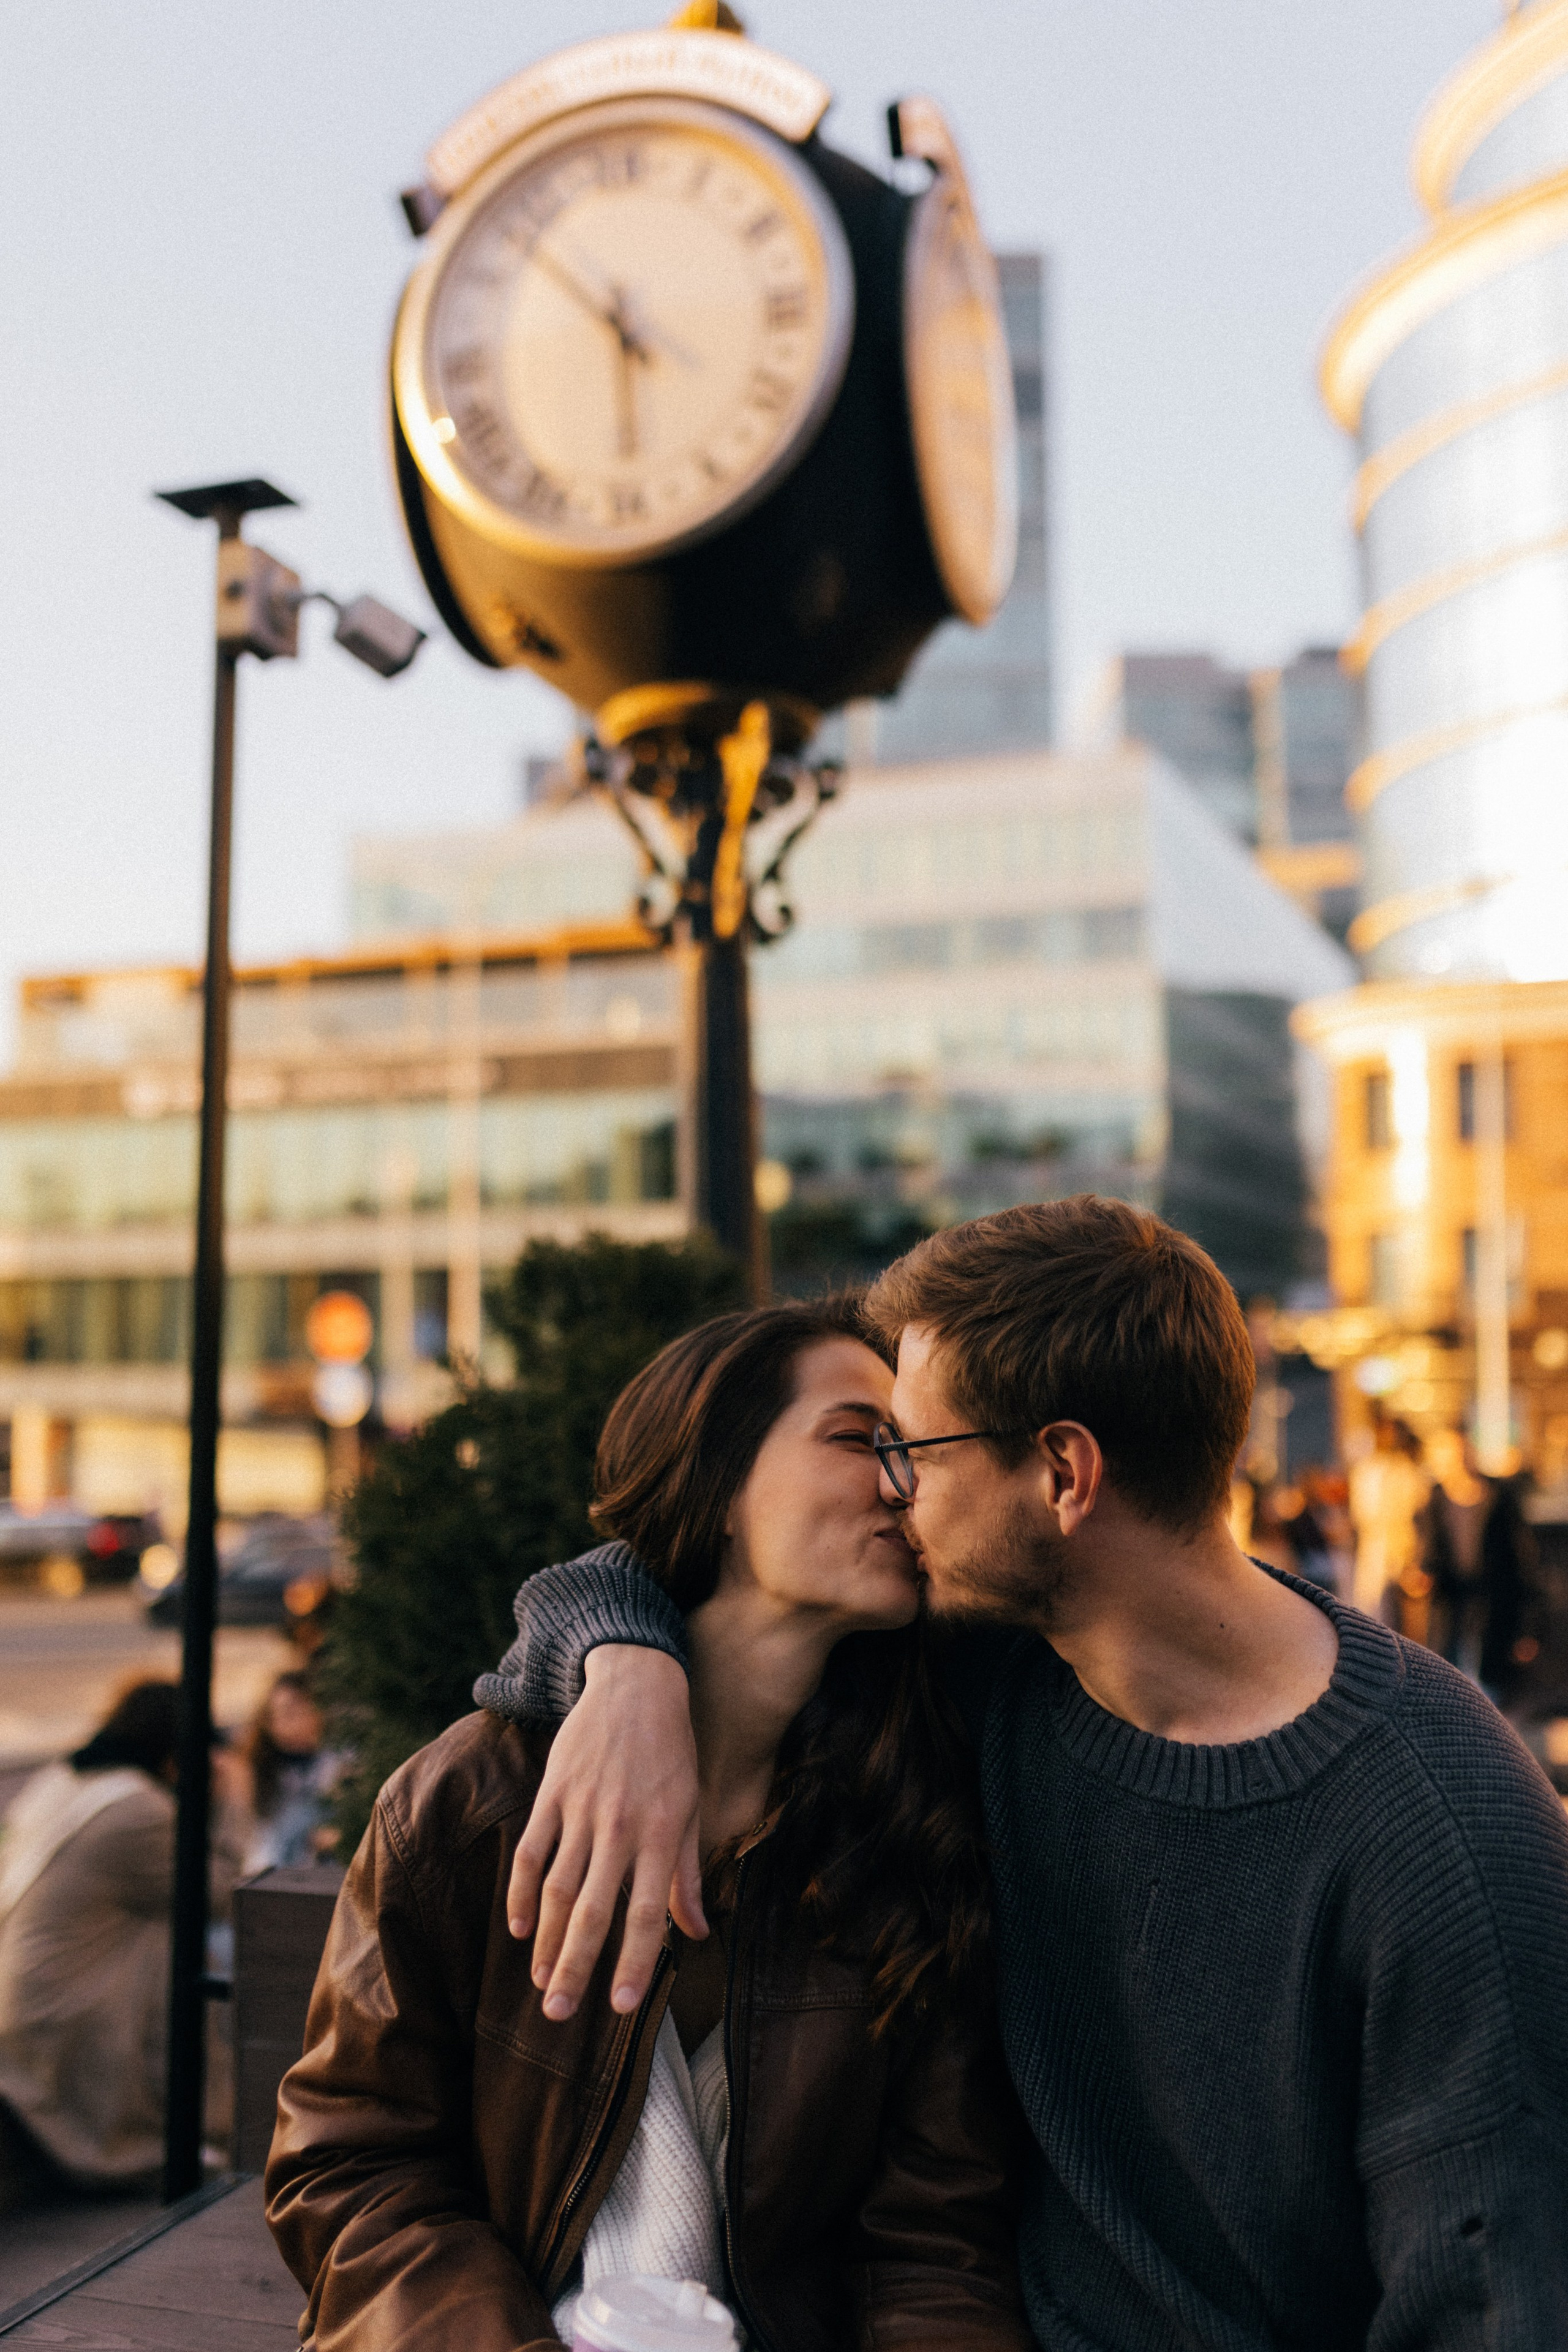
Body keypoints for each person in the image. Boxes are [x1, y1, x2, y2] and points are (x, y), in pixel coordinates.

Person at [498, 1197, 1568, 2351]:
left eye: (913, 1448)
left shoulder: (1444, 1835)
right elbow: (682, 1563)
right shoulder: (986, 1664)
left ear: (1063, 1472)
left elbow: (1491, 2313)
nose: (890, 1489)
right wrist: (626, 1668)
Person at [265, 1299, 1033, 2352]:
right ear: (718, 1482)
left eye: (909, 1447)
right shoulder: (470, 1805)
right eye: (860, 1439)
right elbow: (351, 2167)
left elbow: (932, 2246)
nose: (902, 1481)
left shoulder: (907, 1824)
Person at [0, 1679, 245, 2207]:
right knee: (173, 1943)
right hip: (69, 2019)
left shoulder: (63, 1781)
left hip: (25, 2002)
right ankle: (171, 2141)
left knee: (156, 1928)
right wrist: (234, 1800)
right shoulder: (137, 1812)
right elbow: (224, 1891)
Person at [1418, 1427, 1537, 1700]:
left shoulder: (1499, 1497)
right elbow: (1429, 1551)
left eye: (1460, 1453)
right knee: (1450, 1679)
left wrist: (1527, 1626)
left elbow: (1521, 1559)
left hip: (1493, 1604)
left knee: (1490, 1686)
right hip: (1451, 1607)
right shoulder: (1435, 1500)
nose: (1456, 1461)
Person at [243, 1672, 342, 1874]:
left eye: (291, 1712)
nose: (281, 1725)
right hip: (274, 1877)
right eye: (273, 1716)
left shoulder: (342, 1764)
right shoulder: (263, 1767)